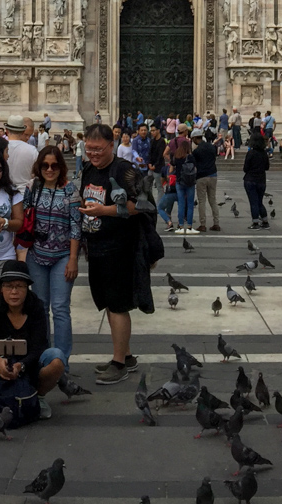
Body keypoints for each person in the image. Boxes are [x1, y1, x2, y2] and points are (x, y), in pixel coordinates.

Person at [75, 123, 162, 382]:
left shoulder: (126, 171)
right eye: (89, 149)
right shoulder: (89, 169)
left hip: (121, 248)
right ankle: (127, 356)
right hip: (98, 247)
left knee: (117, 305)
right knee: (108, 303)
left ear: (111, 145)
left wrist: (104, 211)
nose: (93, 154)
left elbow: (145, 204)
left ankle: (118, 363)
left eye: (98, 149)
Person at [0, 260, 62, 429]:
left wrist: (22, 365)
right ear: (1, 289)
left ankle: (39, 396)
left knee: (57, 357)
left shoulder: (35, 305)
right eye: (8, 286)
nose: (13, 292)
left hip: (30, 360)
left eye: (19, 286)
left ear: (27, 288)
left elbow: (40, 344)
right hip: (2, 358)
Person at [22, 145, 82, 347]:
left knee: (61, 308)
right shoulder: (32, 187)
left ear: (61, 167)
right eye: (45, 165)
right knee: (40, 308)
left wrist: (73, 259)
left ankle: (61, 361)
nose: (49, 169)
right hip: (36, 255)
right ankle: (43, 355)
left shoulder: (70, 189)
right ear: (39, 166)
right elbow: (24, 217)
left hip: (63, 256)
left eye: (54, 165)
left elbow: (76, 226)